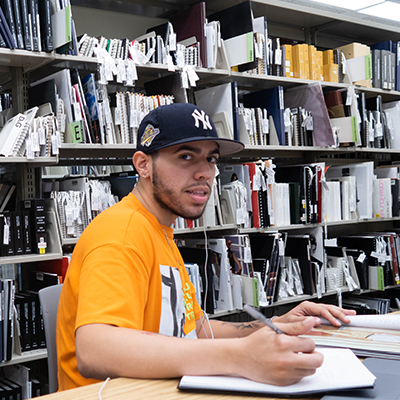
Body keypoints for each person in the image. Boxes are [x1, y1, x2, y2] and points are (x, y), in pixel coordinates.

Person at [56, 103, 355, 391]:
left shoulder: (159, 231)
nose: (205, 173)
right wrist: (239, 357)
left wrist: (274, 325)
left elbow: (195, 329)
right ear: (143, 165)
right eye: (186, 157)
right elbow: (95, 349)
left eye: (211, 159)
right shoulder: (121, 233)